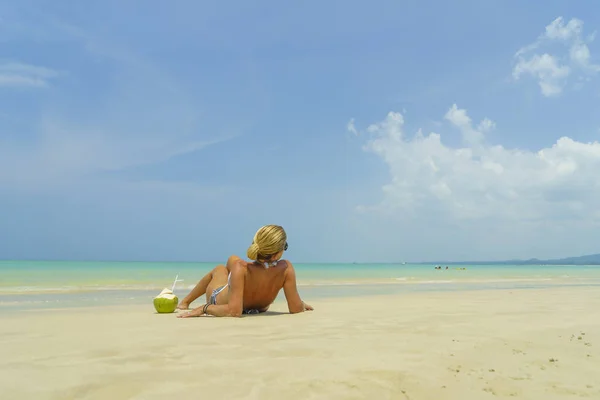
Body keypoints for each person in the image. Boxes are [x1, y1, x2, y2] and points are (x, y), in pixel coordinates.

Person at [177, 225, 313, 318]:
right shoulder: (286, 269)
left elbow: (233, 311)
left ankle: (185, 302)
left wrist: (204, 308)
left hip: (218, 301)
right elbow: (295, 309)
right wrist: (300, 303)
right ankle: (232, 280)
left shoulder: (241, 268)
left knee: (220, 269)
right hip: (259, 308)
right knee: (232, 261)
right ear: (278, 254)